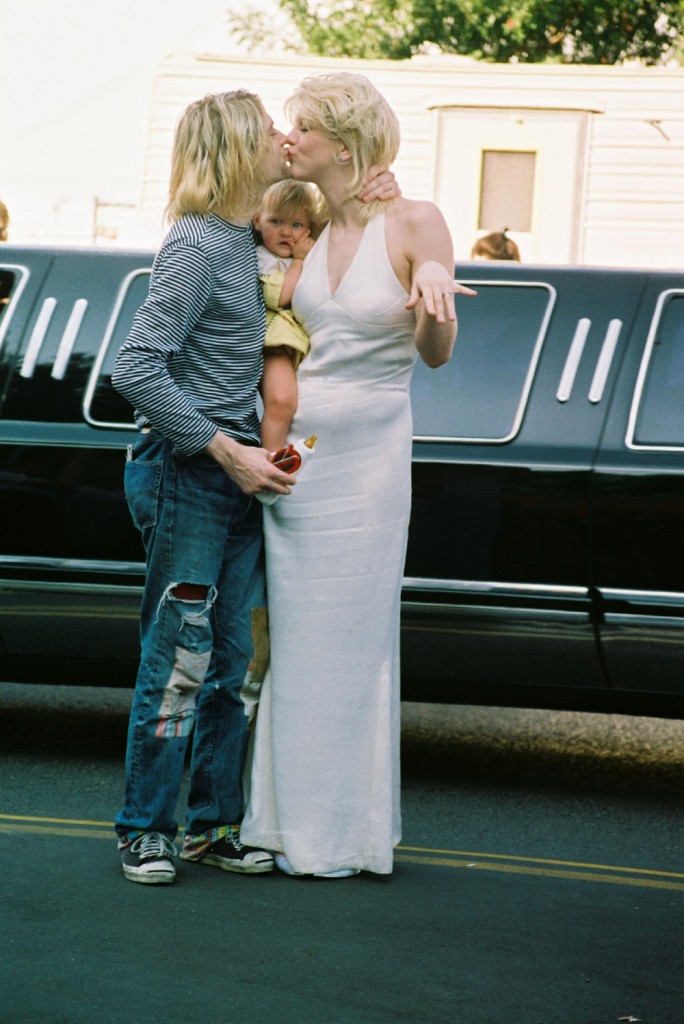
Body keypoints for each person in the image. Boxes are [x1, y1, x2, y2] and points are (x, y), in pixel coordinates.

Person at [110, 89, 396, 886]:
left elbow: (329, 233)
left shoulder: (248, 238)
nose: (284, 135)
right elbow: (135, 366)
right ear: (237, 148)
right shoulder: (197, 246)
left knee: (231, 665)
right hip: (190, 477)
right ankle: (145, 830)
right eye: (269, 128)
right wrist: (225, 450)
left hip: (237, 481)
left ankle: (211, 826)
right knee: (181, 661)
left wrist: (380, 191)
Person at [240, 72, 475, 878]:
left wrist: (436, 299)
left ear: (341, 142)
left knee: (349, 641)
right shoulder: (292, 221)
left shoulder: (415, 220)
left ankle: (339, 835)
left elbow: (435, 357)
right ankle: (273, 826)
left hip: (372, 460)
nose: (288, 137)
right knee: (293, 642)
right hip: (297, 456)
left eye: (300, 127)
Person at [253, 180, 321, 450]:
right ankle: (271, 458)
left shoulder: (305, 256)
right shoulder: (260, 256)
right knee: (282, 402)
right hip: (275, 346)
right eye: (276, 221)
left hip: (300, 348)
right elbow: (279, 296)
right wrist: (301, 261)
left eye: (296, 225)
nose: (286, 232)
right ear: (257, 221)